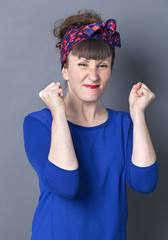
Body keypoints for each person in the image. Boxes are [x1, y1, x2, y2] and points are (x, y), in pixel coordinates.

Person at [23, 9, 158, 240]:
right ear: (65, 69)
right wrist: (58, 112)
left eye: (102, 65)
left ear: (111, 70)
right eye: (83, 64)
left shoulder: (124, 124)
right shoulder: (40, 123)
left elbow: (144, 183)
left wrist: (138, 113)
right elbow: (65, 185)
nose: (93, 76)